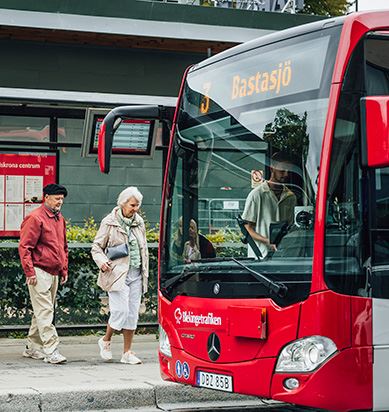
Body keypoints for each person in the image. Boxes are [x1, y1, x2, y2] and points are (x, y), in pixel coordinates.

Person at [91, 186, 148, 365]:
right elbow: (96, 247)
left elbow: (143, 248)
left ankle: (127, 352)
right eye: (132, 205)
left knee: (132, 314)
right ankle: (106, 340)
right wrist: (101, 261)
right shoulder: (109, 222)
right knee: (120, 311)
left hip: (137, 273)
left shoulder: (139, 222)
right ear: (122, 204)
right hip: (116, 273)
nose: (135, 208)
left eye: (138, 205)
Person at [18, 183, 68, 364]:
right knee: (46, 311)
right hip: (39, 271)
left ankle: (32, 347)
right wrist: (30, 272)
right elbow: (25, 247)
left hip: (52, 271)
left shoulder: (58, 218)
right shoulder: (35, 218)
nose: (60, 202)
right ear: (46, 197)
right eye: (57, 199)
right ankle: (51, 349)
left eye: (62, 199)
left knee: (42, 311)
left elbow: (63, 246)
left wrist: (63, 269)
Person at [242, 152, 297, 258]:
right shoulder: (257, 195)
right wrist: (267, 241)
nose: (286, 174)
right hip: (259, 257)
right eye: (282, 171)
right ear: (272, 169)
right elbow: (247, 228)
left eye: (288, 171)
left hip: (283, 256)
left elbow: (291, 227)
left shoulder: (291, 197)